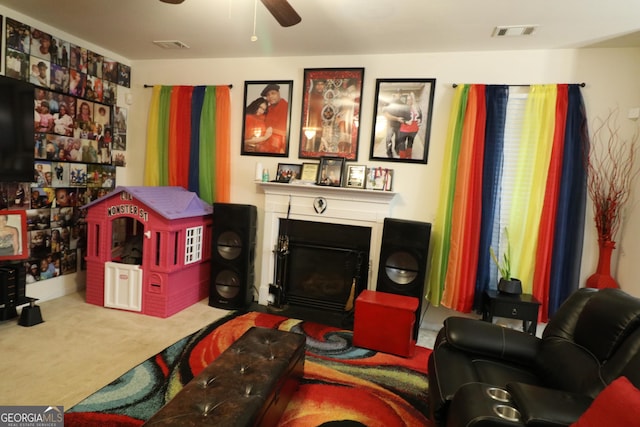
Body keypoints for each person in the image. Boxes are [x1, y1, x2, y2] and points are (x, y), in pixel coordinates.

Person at [261, 84, 288, 154]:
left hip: (281, 149)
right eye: (268, 95)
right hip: (265, 147)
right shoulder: (267, 109)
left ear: (279, 93)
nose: (270, 96)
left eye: (273, 93)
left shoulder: (287, 107)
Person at [396, 92, 422, 159]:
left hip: (414, 129)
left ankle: (408, 157)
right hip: (404, 128)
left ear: (413, 100)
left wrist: (419, 121)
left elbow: (420, 116)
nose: (408, 101)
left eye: (410, 99)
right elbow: (399, 118)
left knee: (410, 143)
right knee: (402, 144)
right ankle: (402, 158)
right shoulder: (403, 108)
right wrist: (406, 122)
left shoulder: (417, 108)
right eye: (407, 99)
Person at [382, 90, 405, 157]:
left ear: (401, 95)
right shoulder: (389, 103)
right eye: (397, 93)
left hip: (399, 125)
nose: (398, 94)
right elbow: (386, 114)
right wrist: (397, 118)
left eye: (400, 93)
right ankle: (389, 152)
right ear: (395, 94)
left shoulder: (403, 104)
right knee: (388, 139)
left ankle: (397, 149)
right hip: (390, 125)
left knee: (398, 139)